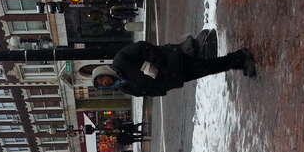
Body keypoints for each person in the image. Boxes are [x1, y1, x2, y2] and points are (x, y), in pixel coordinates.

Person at [92, 40, 256, 98]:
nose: (105, 82)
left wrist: (157, 63)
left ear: (104, 72)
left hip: (172, 61)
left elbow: (143, 47)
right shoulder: (124, 87)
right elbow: (144, 92)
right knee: (208, 69)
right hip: (173, 78)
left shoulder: (121, 60)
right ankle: (237, 61)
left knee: (207, 66)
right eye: (102, 84)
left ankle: (240, 57)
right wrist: (161, 90)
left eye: (102, 79)